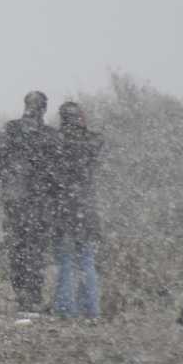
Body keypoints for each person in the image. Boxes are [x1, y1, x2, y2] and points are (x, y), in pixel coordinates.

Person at [0, 91, 53, 311]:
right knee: (35, 249)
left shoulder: (10, 128)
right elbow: (58, 168)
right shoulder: (49, 135)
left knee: (17, 248)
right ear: (44, 108)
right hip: (39, 201)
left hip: (14, 199)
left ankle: (21, 295)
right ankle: (33, 297)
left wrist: (8, 178)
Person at [48, 100, 103, 319]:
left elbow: (49, 175)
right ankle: (91, 310)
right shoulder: (92, 141)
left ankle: (65, 309)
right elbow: (97, 144)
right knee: (87, 262)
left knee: (65, 262)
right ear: (80, 117)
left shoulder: (55, 142)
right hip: (86, 209)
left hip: (62, 210)